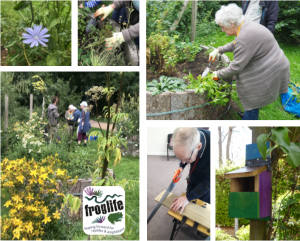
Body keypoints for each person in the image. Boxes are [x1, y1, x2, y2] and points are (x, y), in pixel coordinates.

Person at [209, 3, 290, 120]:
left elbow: (236, 67)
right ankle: (249, 114)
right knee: (252, 96)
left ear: (232, 23)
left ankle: (249, 119)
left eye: (223, 27)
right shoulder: (245, 26)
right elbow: (235, 43)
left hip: (272, 66)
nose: (222, 30)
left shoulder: (245, 36)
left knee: (253, 95)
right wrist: (219, 50)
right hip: (271, 59)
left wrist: (217, 74)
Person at [169, 128, 210, 215]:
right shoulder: (189, 135)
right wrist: (181, 167)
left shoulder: (213, 147)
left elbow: (208, 183)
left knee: (202, 209)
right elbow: (184, 156)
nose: (183, 162)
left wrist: (187, 198)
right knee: (189, 200)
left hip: (207, 180)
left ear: (198, 146)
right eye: (180, 158)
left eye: (186, 159)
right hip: (194, 174)